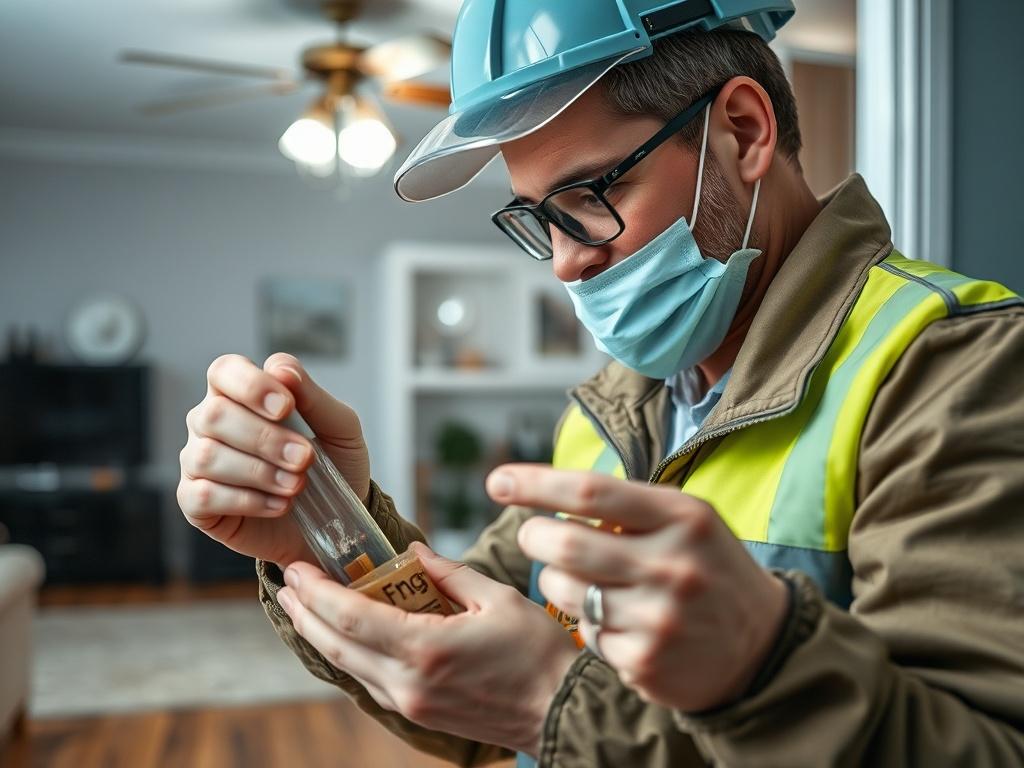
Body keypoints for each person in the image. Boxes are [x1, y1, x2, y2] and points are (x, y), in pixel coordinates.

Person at [177, 1, 1024, 766]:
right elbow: (468, 680)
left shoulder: (952, 370)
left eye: (590, 192)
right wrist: (327, 527)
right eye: (538, 218)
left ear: (741, 129)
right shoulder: (616, 403)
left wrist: (583, 699)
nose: (568, 261)